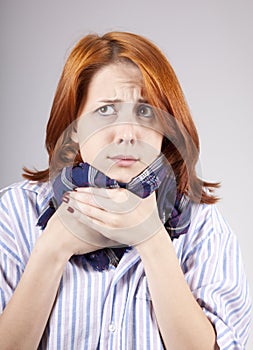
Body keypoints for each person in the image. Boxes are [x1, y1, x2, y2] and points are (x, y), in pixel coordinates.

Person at [0, 31, 251, 350]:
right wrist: (52, 249)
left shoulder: (203, 228)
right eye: (106, 110)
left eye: (145, 112)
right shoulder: (13, 213)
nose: (127, 133)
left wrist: (153, 240)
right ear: (75, 126)